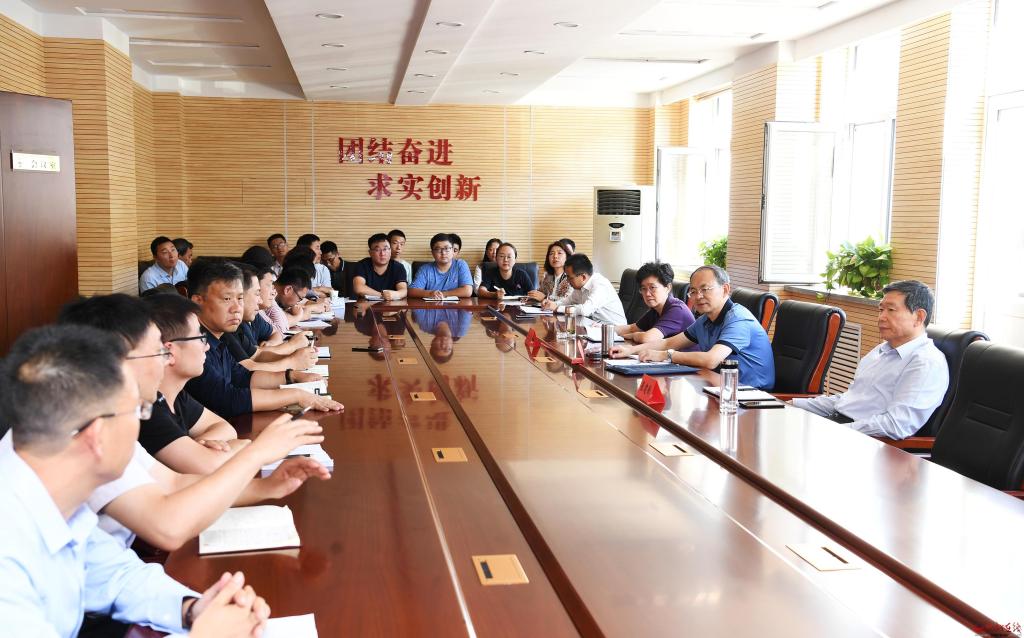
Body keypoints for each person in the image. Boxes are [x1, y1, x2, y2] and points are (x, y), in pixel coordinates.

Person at [0, 325, 271, 637]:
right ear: (97, 434)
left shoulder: (53, 498)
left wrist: (194, 609)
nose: (141, 426)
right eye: (138, 410)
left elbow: (117, 577)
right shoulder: (8, 548)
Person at [56, 294, 331, 553]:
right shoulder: (87, 434)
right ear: (118, 362)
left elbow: (175, 483)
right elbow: (167, 527)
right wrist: (257, 452)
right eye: (158, 352)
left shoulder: (115, 417)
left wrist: (265, 488)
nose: (164, 361)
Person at [793, 280, 948, 439]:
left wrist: (836, 431)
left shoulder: (926, 363)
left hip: (866, 442)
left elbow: (896, 425)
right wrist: (792, 404)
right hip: (840, 425)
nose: (881, 317)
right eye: (881, 309)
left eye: (891, 310)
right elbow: (848, 400)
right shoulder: (880, 351)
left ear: (919, 317)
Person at [185, 260, 342, 417]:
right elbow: (228, 399)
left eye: (240, 298)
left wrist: (292, 376)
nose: (237, 308)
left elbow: (242, 377)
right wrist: (296, 395)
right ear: (198, 302)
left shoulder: (218, 336)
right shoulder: (191, 345)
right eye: (227, 299)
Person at [611, 265, 775, 389]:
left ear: (725, 289)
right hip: (719, 386)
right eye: (694, 291)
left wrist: (666, 355)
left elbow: (711, 360)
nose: (698, 296)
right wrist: (630, 351)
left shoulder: (739, 319)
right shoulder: (705, 320)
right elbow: (668, 342)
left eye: (705, 289)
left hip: (751, 394)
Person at [141, 294, 247, 473]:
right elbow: (208, 467)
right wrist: (247, 447)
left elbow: (226, 428)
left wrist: (197, 447)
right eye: (200, 337)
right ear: (169, 352)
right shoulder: (147, 410)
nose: (207, 346)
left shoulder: (177, 395)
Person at [220, 263, 318, 373]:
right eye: (257, 293)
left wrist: (296, 357)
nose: (260, 300)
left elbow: (258, 355)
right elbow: (247, 369)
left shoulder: (244, 319)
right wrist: (292, 356)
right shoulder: (228, 329)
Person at [616, 262, 695, 343]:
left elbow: (647, 338)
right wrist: (609, 329)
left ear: (668, 287)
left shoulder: (677, 310)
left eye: (652, 287)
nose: (647, 294)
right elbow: (632, 328)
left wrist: (632, 336)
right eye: (643, 288)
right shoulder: (656, 310)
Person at [542, 253, 625, 324]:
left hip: (614, 331)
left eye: (569, 277)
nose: (567, 280)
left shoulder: (600, 284)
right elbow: (567, 301)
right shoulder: (579, 287)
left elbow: (585, 310)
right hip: (593, 327)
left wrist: (557, 308)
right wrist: (552, 304)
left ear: (583, 277)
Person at [409, 233, 473, 299]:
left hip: (457, 305)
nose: (443, 253)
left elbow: (467, 291)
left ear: (453, 250)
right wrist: (430, 293)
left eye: (447, 248)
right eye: (438, 249)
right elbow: (412, 291)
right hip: (430, 305)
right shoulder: (425, 269)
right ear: (432, 253)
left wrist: (441, 294)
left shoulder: (460, 265)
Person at [352, 233, 409, 300]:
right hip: (366, 304)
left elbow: (403, 291)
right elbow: (359, 288)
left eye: (385, 249)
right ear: (370, 253)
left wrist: (396, 294)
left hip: (392, 305)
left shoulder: (398, 267)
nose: (382, 253)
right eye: (377, 250)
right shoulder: (362, 265)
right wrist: (382, 296)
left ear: (390, 250)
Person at [527, 240, 572, 305]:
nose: (555, 256)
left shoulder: (572, 277)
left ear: (567, 257)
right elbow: (540, 294)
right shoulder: (547, 276)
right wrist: (533, 297)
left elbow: (569, 301)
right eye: (551, 253)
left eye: (559, 253)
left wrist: (545, 298)